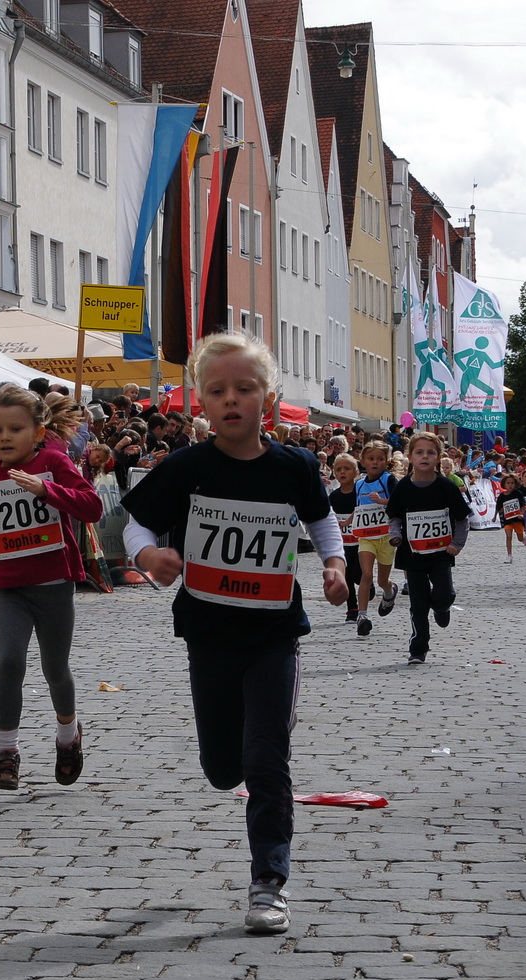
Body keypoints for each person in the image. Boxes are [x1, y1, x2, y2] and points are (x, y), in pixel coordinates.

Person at [120, 331, 347, 935]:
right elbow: (135, 525)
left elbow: (322, 523)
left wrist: (334, 564)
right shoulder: (187, 467)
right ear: (200, 401)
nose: (231, 400)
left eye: (244, 389)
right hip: (208, 634)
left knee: (267, 760)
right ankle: (239, 759)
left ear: (266, 398)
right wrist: (148, 558)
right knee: (224, 768)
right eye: (217, 390)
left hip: (274, 635)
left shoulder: (294, 466)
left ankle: (269, 881)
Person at [0, 384, 103, 791]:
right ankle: (7, 752)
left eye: (15, 429)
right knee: (10, 663)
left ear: (37, 431)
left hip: (53, 584)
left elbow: (91, 506)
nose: (5, 438)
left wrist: (47, 489)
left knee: (54, 669)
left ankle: (68, 737)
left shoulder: (53, 461)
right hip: (10, 586)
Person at [386, 432, 469, 665]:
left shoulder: (446, 487)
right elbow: (394, 517)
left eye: (430, 453)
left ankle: (442, 609)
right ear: (410, 457)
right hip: (412, 555)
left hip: (441, 553)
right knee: (418, 604)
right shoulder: (403, 488)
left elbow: (463, 519)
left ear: (439, 457)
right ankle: (418, 649)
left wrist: (457, 544)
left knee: (446, 594)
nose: (425, 457)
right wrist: (396, 536)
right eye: (419, 452)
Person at [349, 441, 397, 635]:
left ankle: (389, 591)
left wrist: (383, 501)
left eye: (379, 459)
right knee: (366, 575)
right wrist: (347, 522)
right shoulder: (359, 484)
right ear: (363, 461)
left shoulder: (389, 480)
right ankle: (362, 616)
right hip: (367, 536)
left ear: (386, 461)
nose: (375, 462)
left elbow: (399, 503)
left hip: (386, 536)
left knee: (381, 580)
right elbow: (359, 508)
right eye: (371, 459)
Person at [326, 453, 362, 621]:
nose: (342, 472)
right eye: (338, 469)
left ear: (355, 472)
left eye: (347, 469)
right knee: (346, 574)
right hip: (343, 543)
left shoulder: (360, 493)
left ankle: (367, 586)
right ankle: (352, 608)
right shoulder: (333, 496)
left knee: (358, 574)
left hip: (361, 542)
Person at [497, 473, 526, 563]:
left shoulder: (518, 493)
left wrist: (522, 514)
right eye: (508, 483)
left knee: (520, 538)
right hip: (508, 520)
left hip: (517, 519)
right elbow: (498, 507)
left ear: (515, 484)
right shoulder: (502, 496)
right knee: (508, 536)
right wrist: (494, 517)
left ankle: (524, 537)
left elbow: (523, 505)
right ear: (504, 484)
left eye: (512, 483)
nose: (510, 485)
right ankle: (509, 555)